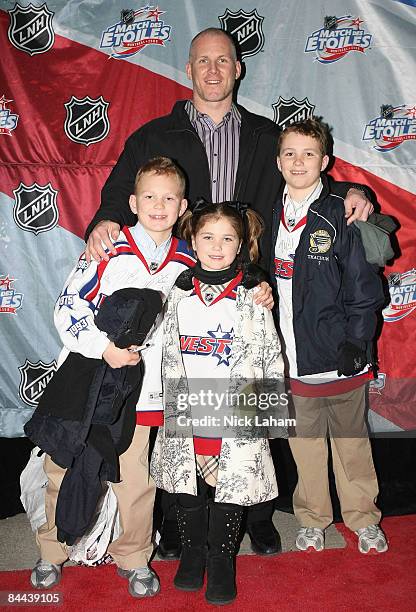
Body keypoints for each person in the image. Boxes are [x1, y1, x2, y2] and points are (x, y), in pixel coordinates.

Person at [84, 27, 374, 557]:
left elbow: (307, 179)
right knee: (186, 407)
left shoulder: (267, 136)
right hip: (182, 286)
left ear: (239, 69)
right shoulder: (154, 136)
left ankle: (258, 515)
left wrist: (355, 191)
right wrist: (101, 223)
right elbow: (117, 196)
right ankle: (178, 521)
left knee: (251, 405)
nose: (214, 70)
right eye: (203, 61)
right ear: (189, 70)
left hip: (250, 287)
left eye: (224, 60)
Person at [30, 157, 193, 597]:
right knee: (62, 465)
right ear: (133, 202)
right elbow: (68, 306)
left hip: (143, 395)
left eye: (169, 198)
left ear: (182, 207)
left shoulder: (189, 261)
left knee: (136, 477)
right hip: (88, 383)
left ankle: (135, 556)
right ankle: (50, 551)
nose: (159, 205)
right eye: (150, 197)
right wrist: (104, 348)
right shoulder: (109, 247)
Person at [150, 201, 285, 605]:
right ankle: (193, 554)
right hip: (187, 406)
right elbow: (160, 347)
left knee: (230, 487)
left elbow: (269, 351)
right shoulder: (178, 289)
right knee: (187, 486)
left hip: (234, 408)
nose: (216, 245)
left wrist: (265, 417)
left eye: (228, 238)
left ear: (241, 243)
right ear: (191, 238)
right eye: (207, 237)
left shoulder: (252, 293)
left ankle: (222, 558)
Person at [271, 117, 388, 554]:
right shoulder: (268, 211)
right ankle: (312, 518)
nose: (297, 161)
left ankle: (363, 518)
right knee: (305, 449)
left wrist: (357, 342)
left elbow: (363, 289)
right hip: (290, 360)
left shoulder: (342, 213)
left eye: (307, 154)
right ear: (278, 160)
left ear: (325, 161)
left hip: (339, 357)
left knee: (352, 446)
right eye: (289, 153)